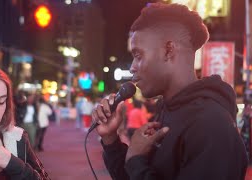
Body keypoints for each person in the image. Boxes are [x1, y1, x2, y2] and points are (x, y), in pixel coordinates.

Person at [92, 3, 248, 180]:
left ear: (168, 50)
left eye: (138, 56)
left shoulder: (212, 126)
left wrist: (136, 160)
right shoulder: (167, 109)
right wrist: (111, 141)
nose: (133, 68)